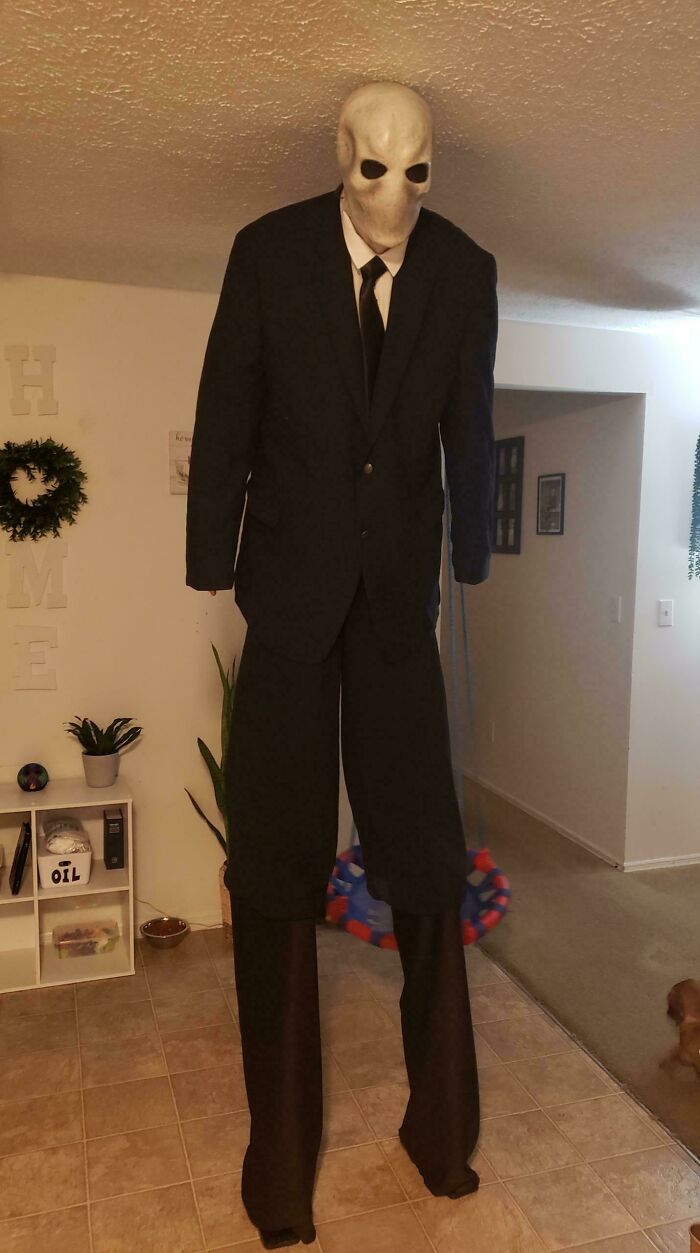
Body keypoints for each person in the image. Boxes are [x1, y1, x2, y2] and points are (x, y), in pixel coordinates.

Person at [186, 80, 498, 1249]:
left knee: (424, 853)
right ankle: (280, 1165)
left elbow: (465, 422)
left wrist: (468, 551)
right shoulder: (264, 254)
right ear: (338, 156)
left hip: (393, 616)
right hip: (288, 603)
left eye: (418, 171)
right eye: (375, 170)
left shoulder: (464, 271)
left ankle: (443, 1130)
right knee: (273, 863)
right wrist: (208, 550)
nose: (395, 197)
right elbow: (228, 402)